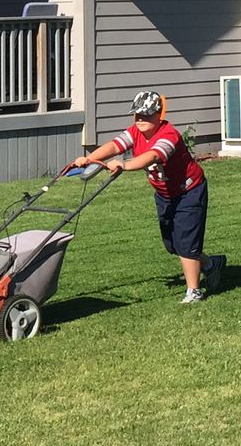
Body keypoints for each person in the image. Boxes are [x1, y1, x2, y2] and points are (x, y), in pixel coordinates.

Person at [70, 89, 225, 303]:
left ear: (158, 115)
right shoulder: (135, 132)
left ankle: (194, 292)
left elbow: (151, 156)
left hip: (189, 192)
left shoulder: (169, 135)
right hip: (164, 194)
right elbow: (115, 145)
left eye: (147, 114)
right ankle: (210, 264)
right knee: (173, 244)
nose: (141, 119)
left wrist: (124, 165)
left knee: (186, 242)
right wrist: (89, 159)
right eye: (138, 114)